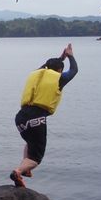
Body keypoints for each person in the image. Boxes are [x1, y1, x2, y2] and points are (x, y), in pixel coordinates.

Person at [10, 43, 78, 187]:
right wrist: (70, 55)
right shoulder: (59, 77)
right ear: (59, 70)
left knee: (30, 142)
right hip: (36, 118)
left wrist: (61, 58)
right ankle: (19, 171)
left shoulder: (35, 73)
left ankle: (24, 171)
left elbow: (45, 67)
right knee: (35, 159)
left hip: (20, 117)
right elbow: (74, 70)